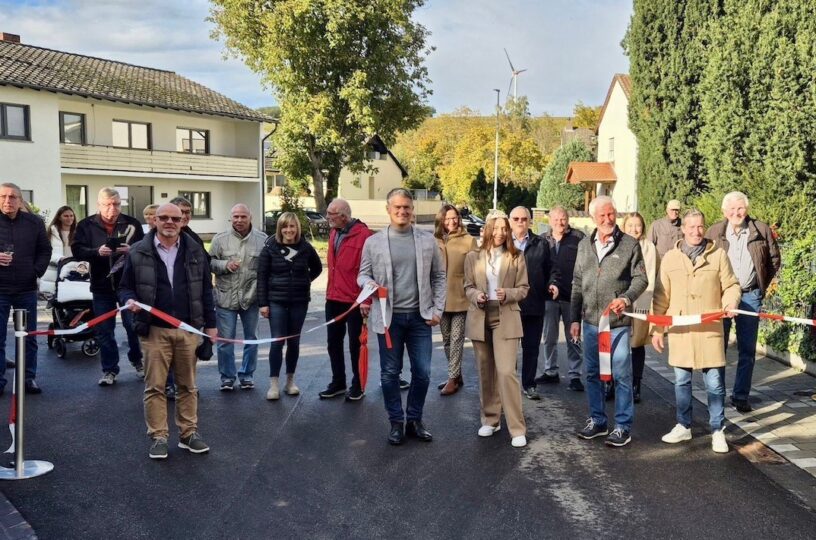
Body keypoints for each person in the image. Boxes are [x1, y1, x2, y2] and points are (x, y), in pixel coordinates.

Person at [119, 203, 217, 459]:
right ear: (155, 221)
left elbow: (207, 289)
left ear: (183, 221)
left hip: (188, 329)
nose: (170, 222)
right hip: (154, 330)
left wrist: (211, 325)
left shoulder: (195, 250)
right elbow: (124, 287)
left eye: (176, 218)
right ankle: (159, 436)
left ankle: (188, 434)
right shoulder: (139, 251)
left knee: (188, 386)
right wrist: (129, 300)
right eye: (164, 218)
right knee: (155, 387)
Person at [358, 188, 446, 445]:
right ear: (388, 209)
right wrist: (370, 285)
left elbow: (439, 277)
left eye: (406, 207)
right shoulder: (373, 242)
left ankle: (415, 419)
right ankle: (396, 422)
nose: (402, 211)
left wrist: (438, 310)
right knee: (389, 373)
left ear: (412, 209)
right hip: (388, 320)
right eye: (397, 207)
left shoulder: (427, 240)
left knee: (423, 372)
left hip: (420, 318)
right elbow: (362, 274)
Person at [652, 209, 740, 453]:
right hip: (681, 331)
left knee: (715, 384)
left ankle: (717, 430)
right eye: (691, 227)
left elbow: (731, 285)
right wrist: (657, 329)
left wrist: (731, 301)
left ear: (705, 227)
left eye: (700, 227)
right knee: (682, 382)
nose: (696, 231)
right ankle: (683, 425)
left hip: (710, 330)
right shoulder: (670, 258)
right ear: (683, 229)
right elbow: (661, 297)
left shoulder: (719, 255)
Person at [572, 196, 647, 447]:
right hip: (591, 323)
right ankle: (598, 421)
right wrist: (574, 318)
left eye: (611, 214)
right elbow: (576, 285)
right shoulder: (584, 246)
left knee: (622, 375)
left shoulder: (630, 244)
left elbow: (641, 279)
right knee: (592, 373)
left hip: (617, 324)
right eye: (602, 216)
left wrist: (626, 298)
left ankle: (623, 426)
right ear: (593, 217)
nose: (607, 219)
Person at [705, 191, 780, 413]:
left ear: (746, 209)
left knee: (747, 350)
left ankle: (740, 396)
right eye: (732, 209)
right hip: (721, 297)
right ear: (724, 211)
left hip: (749, 296)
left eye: (740, 208)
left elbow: (774, 260)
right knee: (718, 348)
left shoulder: (761, 229)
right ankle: (717, 394)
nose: (736, 213)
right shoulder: (715, 233)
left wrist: (760, 286)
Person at [464, 212, 530, 447]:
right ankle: (491, 420)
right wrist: (476, 296)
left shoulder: (517, 256)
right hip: (480, 316)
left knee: (505, 372)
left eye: (505, 228)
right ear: (488, 229)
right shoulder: (473, 256)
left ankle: (517, 427)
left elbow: (523, 288)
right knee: (485, 371)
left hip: (507, 316)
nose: (501, 233)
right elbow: (468, 286)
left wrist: (508, 294)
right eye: (497, 228)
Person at [72, 187, 145, 386]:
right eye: (108, 205)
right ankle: (110, 370)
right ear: (99, 205)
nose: (113, 209)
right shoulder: (86, 225)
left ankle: (138, 362)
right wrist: (97, 252)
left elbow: (145, 249)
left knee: (133, 326)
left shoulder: (132, 223)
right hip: (101, 285)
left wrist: (132, 250)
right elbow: (77, 250)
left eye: (117, 204)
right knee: (105, 330)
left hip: (128, 285)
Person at [257, 212, 322, 400]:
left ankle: (290, 381)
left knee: (294, 341)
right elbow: (261, 276)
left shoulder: (305, 248)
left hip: (299, 302)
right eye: (285, 226)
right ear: (280, 228)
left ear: (297, 228)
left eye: (292, 226)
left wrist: (304, 281)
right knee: (278, 341)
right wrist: (263, 304)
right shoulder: (270, 248)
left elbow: (317, 268)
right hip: (276, 301)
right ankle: (274, 384)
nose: (289, 230)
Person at [319, 199, 372, 401]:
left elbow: (370, 271)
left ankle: (357, 385)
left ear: (344, 215)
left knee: (355, 345)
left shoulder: (364, 236)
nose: (328, 217)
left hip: (355, 301)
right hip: (333, 298)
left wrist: (367, 300)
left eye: (331, 214)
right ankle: (338, 382)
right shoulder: (334, 233)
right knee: (333, 343)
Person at [209, 204, 267, 391]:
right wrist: (225, 264)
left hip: (251, 298)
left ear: (251, 217)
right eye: (235, 216)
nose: (239, 220)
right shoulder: (219, 239)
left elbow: (266, 270)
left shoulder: (262, 240)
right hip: (226, 298)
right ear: (230, 218)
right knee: (225, 340)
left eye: (243, 216)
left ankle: (247, 375)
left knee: (252, 339)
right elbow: (209, 263)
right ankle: (227, 377)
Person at [0, 183, 51, 394]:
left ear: (20, 201)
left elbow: (45, 250)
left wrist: (35, 271)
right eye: (3, 196)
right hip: (0, 290)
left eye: (12, 197)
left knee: (29, 337)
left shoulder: (34, 222)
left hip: (26, 289)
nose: (7, 201)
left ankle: (28, 378)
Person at [508, 206, 557, 401]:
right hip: (509, 306)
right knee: (509, 351)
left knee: (531, 348)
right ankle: (509, 386)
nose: (520, 222)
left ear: (530, 221)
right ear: (510, 221)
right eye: (516, 218)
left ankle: (529, 385)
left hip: (534, 304)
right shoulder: (502, 243)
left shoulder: (541, 243)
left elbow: (552, 269)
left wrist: (553, 284)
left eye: (524, 219)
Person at [539, 206, 585, 391]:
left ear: (568, 219)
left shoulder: (579, 238)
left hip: (572, 296)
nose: (560, 222)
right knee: (549, 336)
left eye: (563, 219)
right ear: (550, 221)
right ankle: (551, 371)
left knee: (573, 336)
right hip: (549, 296)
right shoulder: (543, 240)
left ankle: (575, 375)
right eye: (556, 219)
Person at [433, 204, 476, 396]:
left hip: (461, 297)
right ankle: (456, 375)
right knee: (447, 340)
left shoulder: (469, 241)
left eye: (455, 217)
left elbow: (476, 270)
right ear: (441, 220)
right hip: (441, 299)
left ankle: (452, 379)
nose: (452, 221)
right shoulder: (435, 240)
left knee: (457, 338)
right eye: (447, 218)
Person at [622, 212, 657, 403]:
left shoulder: (648, 247)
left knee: (637, 343)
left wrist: (644, 306)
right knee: (616, 343)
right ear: (624, 227)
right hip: (620, 300)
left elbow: (649, 278)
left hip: (641, 301)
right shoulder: (618, 244)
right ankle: (611, 382)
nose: (634, 229)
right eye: (630, 226)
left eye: (637, 225)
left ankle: (636, 385)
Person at [39, 205, 76, 297]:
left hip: (74, 267)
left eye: (71, 215)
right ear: (59, 217)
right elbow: (48, 251)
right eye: (66, 216)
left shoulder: (78, 231)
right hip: (57, 267)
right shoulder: (52, 231)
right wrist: (60, 258)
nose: (69, 218)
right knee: (57, 298)